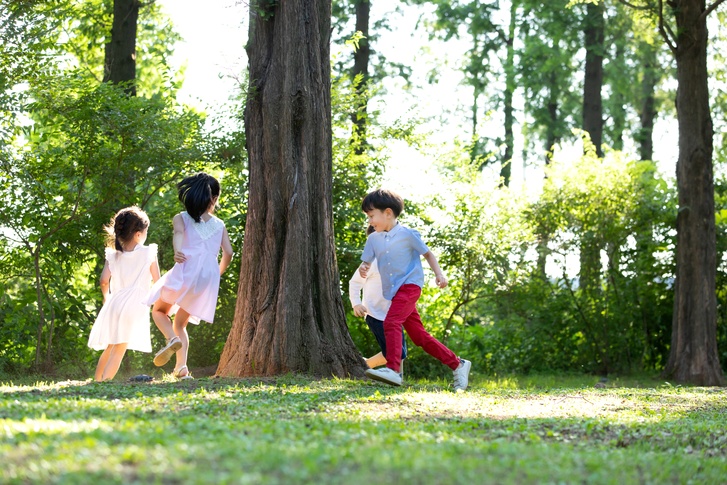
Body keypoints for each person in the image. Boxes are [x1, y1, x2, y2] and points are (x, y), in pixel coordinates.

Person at [359, 189, 471, 391]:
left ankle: (394, 371)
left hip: (410, 286)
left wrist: (439, 274)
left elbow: (428, 255)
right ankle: (458, 364)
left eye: (371, 215)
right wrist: (364, 267)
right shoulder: (373, 239)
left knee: (392, 322)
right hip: (393, 292)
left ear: (388, 213)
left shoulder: (408, 234)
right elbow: (367, 261)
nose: (369, 221)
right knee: (419, 337)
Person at [145, 172, 234, 379]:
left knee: (158, 311)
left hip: (187, 268)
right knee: (180, 323)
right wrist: (217, 274)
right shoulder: (219, 224)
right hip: (207, 278)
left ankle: (170, 339)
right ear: (214, 199)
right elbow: (228, 253)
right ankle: (181, 368)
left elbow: (178, 234)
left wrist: (178, 251)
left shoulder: (181, 217)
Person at [88, 206, 160, 382]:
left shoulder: (113, 255)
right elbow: (158, 281)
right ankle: (105, 381)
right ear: (137, 234)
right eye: (145, 232)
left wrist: (107, 298)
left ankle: (97, 380)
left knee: (110, 345)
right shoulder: (148, 252)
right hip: (135, 303)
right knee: (120, 348)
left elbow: (104, 280)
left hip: (115, 301)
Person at [349, 225, 408, 372]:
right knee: (395, 352)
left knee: (401, 352)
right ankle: (392, 375)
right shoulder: (370, 264)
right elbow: (355, 282)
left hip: (394, 315)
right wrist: (356, 304)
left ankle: (368, 366)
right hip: (376, 315)